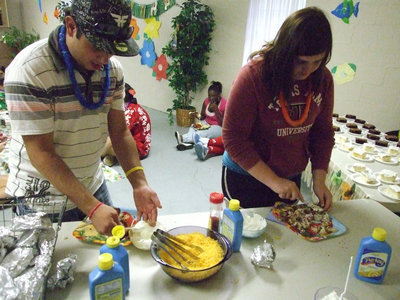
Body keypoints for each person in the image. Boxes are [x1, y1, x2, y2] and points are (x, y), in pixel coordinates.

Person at [3, 0, 162, 235]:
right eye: (98, 46)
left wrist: (139, 183)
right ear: (71, 26)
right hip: (43, 199)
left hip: (92, 184)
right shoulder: (30, 70)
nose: (105, 58)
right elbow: (41, 153)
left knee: (105, 261)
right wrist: (92, 207)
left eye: (112, 48)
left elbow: (119, 132)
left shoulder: (113, 70)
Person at [222, 7, 334, 211]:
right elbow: (234, 139)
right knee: (245, 237)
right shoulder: (252, 77)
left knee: (286, 239)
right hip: (246, 177)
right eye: (301, 62)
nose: (308, 70)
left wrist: (319, 180)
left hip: (290, 178)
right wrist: (275, 182)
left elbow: (323, 134)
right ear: (285, 51)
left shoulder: (323, 79)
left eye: (317, 62)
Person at [102, 83, 151, 166]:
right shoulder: (129, 107)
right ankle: (113, 157)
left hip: (139, 150)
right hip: (131, 140)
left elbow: (117, 134)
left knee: (106, 142)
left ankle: (106, 155)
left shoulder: (131, 112)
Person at [175, 81, 227, 150]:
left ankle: (182, 138)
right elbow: (202, 117)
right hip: (206, 123)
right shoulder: (206, 101)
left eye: (213, 96)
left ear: (219, 95)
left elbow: (223, 124)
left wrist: (216, 110)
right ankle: (189, 144)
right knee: (193, 127)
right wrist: (197, 115)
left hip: (218, 127)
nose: (211, 98)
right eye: (209, 95)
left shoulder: (224, 104)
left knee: (202, 133)